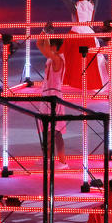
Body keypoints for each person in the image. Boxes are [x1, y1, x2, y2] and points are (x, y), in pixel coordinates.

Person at [48, 0, 109, 91]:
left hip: (74, 35)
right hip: (89, 36)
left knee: (65, 60)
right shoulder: (93, 3)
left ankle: (56, 84)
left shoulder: (74, 5)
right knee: (93, 63)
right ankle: (96, 85)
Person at [37, 25, 69, 168]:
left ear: (55, 46)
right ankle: (48, 159)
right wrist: (44, 32)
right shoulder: (50, 58)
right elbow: (40, 44)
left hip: (54, 96)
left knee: (55, 132)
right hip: (46, 95)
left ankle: (62, 161)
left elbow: (46, 48)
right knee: (46, 129)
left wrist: (48, 35)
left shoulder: (58, 59)